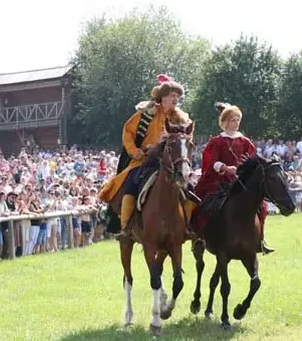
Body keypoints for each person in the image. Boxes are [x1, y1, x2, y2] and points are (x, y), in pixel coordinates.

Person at [99, 74, 196, 240]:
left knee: (191, 189)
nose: (176, 99)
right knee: (130, 185)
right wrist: (134, 151)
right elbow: (127, 132)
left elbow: (187, 139)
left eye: (178, 96)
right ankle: (125, 228)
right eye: (172, 95)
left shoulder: (181, 118)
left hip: (172, 165)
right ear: (162, 97)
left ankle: (187, 227)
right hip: (144, 160)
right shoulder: (146, 114)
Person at [194, 102, 274, 254]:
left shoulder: (244, 141)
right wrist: (225, 168)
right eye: (232, 120)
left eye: (238, 120)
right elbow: (213, 162)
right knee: (205, 202)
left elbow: (252, 159)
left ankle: (260, 240)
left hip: (241, 180)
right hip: (220, 180)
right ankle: (201, 237)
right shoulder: (217, 141)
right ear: (224, 122)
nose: (236, 123)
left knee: (261, 205)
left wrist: (246, 166)